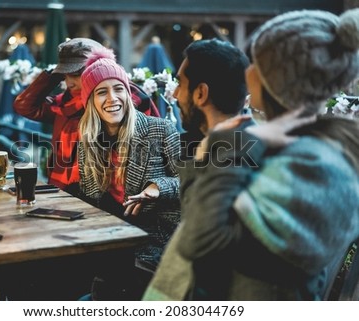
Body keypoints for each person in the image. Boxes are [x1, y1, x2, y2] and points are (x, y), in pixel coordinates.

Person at [144, 8, 359, 300]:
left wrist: (226, 144)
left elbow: (198, 240)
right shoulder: (288, 145)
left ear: (275, 78)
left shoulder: (312, 162)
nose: (246, 72)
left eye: (255, 62)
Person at [77, 46, 181, 299]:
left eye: (119, 89)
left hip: (155, 240)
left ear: (128, 93)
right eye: (102, 92)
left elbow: (190, 180)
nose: (112, 98)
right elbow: (91, 199)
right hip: (110, 239)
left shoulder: (161, 129)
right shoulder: (87, 142)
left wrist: (157, 188)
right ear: (91, 102)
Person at [13, 38, 159, 196]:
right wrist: (53, 76)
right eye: (65, 75)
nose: (69, 82)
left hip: (108, 198)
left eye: (75, 74)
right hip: (62, 191)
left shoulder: (126, 100)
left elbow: (153, 155)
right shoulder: (65, 102)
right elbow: (24, 106)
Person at [174, 39, 252, 161]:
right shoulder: (185, 145)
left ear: (201, 93)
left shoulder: (239, 159)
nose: (175, 94)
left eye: (180, 84)